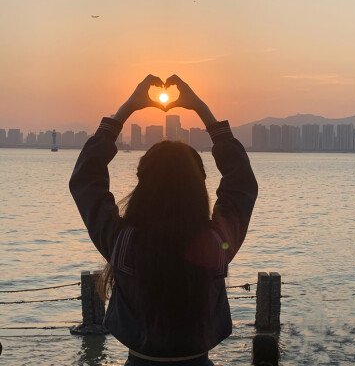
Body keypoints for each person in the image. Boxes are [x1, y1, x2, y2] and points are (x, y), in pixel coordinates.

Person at [69, 74, 258, 365]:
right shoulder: (215, 245)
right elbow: (241, 183)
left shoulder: (124, 244)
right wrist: (201, 109)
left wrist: (127, 109)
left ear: (143, 186)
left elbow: (86, 178)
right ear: (199, 187)